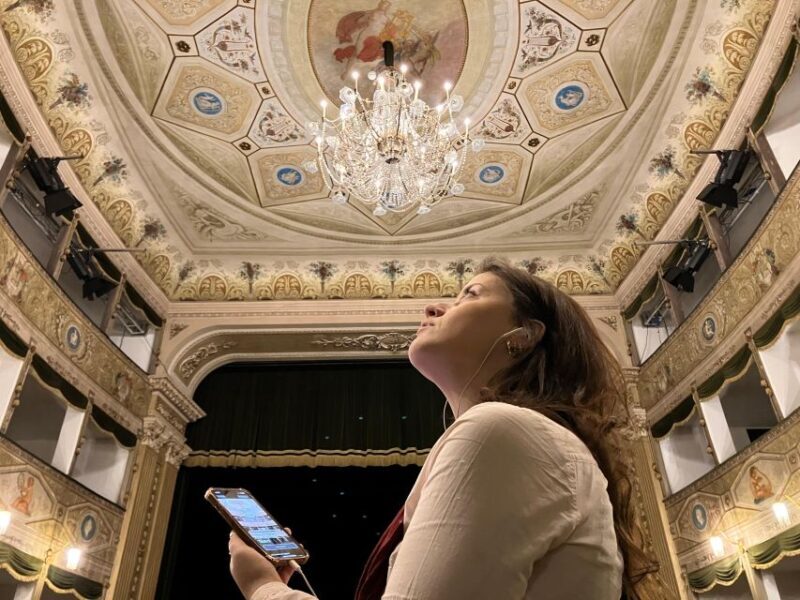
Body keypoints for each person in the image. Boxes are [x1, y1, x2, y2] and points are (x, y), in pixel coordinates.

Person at [229, 258, 667, 599]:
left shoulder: (501, 430)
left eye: (469, 295)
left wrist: (262, 588)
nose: (433, 307)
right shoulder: (519, 438)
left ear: (524, 335)